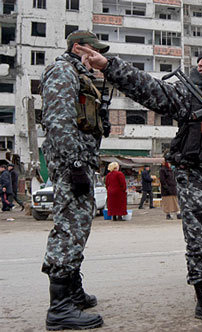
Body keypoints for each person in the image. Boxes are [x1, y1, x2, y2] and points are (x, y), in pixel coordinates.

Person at [79, 44, 202, 324]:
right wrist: (109, 65)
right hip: (194, 175)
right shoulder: (187, 94)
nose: (200, 63)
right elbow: (149, 88)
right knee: (199, 237)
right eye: (198, 59)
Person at [39, 30, 109, 330]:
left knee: (79, 226)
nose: (97, 57)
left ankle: (73, 291)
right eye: (94, 51)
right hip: (72, 162)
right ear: (79, 48)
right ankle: (60, 308)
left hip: (78, 160)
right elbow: (58, 120)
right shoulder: (62, 70)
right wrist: (76, 163)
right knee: (69, 228)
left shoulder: (81, 75)